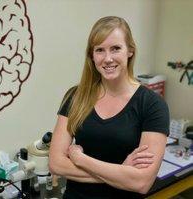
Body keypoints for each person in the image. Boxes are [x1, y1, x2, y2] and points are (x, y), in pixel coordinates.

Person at [49, 16, 169, 199]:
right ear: (92, 55)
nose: (107, 59)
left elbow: (141, 183)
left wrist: (81, 160)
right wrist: (122, 172)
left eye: (115, 48)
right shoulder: (76, 96)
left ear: (130, 51)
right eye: (99, 50)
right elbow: (56, 164)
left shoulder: (152, 104)